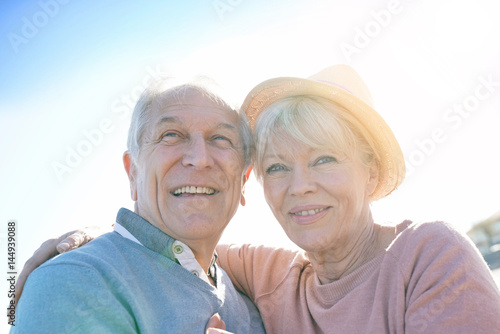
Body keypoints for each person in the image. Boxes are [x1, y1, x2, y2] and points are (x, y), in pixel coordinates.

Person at [14, 65, 500, 333]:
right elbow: (167, 246)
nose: (300, 185)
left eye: (325, 159)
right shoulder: (275, 278)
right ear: (256, 183)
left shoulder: (429, 257)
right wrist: (93, 243)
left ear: (370, 170)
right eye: (277, 167)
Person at [10, 79, 265, 333]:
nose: (200, 159)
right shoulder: (71, 281)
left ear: (243, 180)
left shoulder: (258, 294)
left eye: (221, 138)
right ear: (133, 173)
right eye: (171, 135)